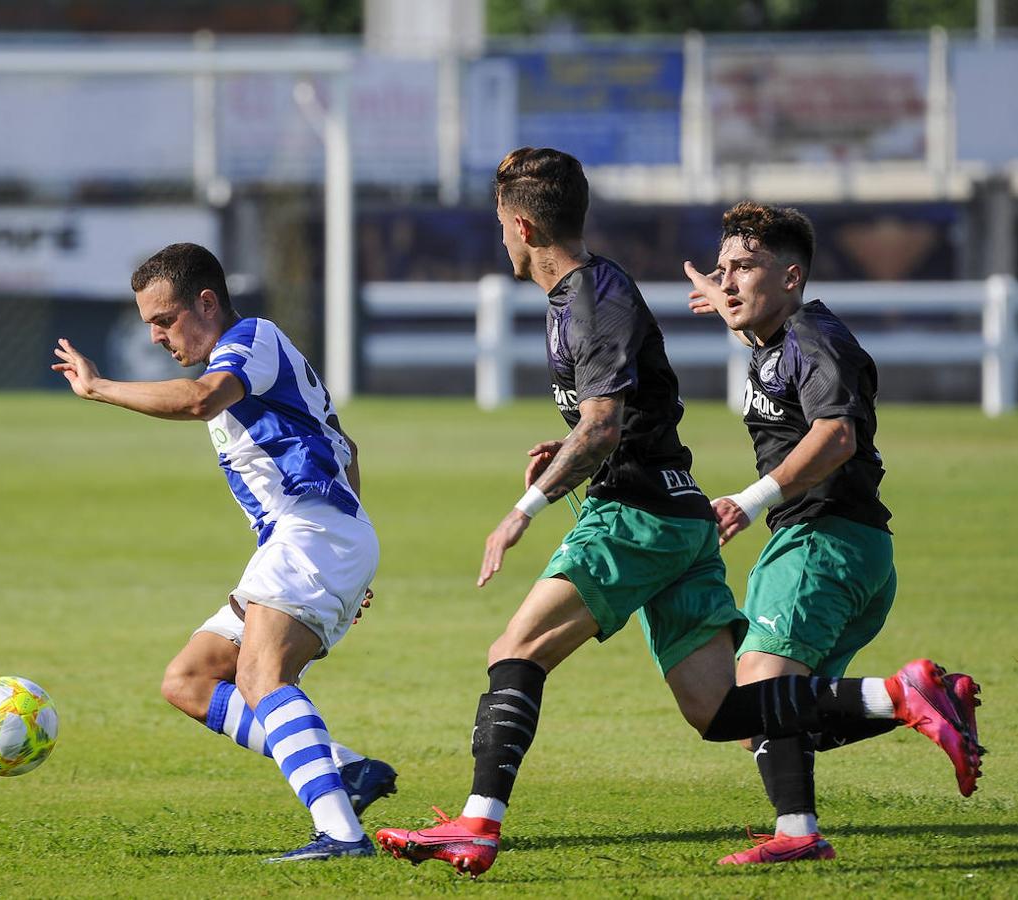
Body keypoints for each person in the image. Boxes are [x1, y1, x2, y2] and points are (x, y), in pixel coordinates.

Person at [372, 148, 982, 879]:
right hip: (679, 518)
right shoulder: (589, 300)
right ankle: (884, 709)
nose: (499, 238)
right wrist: (724, 310)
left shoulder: (594, 299)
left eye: (501, 225)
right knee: (722, 711)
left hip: (650, 515)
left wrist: (524, 509)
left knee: (515, 650)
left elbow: (606, 427)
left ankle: (476, 826)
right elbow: (616, 417)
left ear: (524, 225)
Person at [52, 242, 394, 862]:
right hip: (315, 538)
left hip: (312, 533)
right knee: (188, 681)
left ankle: (343, 836)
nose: (156, 336)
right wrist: (351, 555)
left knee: (262, 678)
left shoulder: (251, 339)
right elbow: (348, 447)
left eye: (163, 320)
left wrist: (99, 386)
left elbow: (197, 399)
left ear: (206, 302)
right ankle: (345, 771)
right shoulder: (246, 361)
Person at [682, 202, 985, 864]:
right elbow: (762, 342)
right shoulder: (775, 335)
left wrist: (751, 498)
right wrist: (726, 298)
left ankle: (896, 709)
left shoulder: (813, 340)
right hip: (846, 547)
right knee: (771, 720)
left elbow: (836, 433)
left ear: (790, 277)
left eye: (745, 268)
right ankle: (925, 703)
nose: (728, 280)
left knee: (758, 695)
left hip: (822, 543)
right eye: (721, 268)